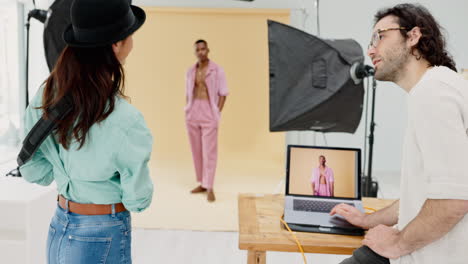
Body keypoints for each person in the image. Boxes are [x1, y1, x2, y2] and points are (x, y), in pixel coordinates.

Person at [331, 3, 468, 264]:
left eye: (380, 37)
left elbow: (454, 199)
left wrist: (397, 242)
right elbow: (426, 195)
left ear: (413, 36)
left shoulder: (433, 91)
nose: (371, 49)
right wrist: (365, 220)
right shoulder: (436, 87)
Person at [19, 0, 153, 263]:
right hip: (103, 232)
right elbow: (138, 199)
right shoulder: (126, 119)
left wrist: (66, 171)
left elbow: (33, 170)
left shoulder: (46, 96)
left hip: (59, 227)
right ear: (117, 44)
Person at [185, 39, 229, 202]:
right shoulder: (191, 71)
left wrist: (217, 112)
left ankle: (210, 186)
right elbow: (188, 92)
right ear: (195, 52)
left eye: (203, 49)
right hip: (193, 111)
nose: (201, 52)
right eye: (198, 49)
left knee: (209, 151)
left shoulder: (217, 70)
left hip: (209, 111)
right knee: (196, 149)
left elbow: (223, 93)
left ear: (208, 50)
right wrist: (188, 109)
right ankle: (202, 183)